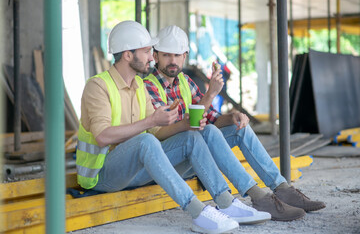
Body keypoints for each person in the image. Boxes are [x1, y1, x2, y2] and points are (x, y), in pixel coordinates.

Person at [76, 20, 274, 234]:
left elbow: (157, 131)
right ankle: (198, 213)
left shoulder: (139, 87)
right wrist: (151, 122)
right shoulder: (98, 86)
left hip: (136, 172)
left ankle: (226, 203)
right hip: (103, 175)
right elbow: (103, 136)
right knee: (145, 141)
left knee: (192, 136)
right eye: (146, 52)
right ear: (127, 54)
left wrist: (178, 123)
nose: (151, 58)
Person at [144, 25, 326, 222]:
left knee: (239, 128)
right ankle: (259, 197)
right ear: (155, 55)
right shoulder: (148, 86)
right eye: (166, 55)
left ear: (185, 56)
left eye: (177, 55)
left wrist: (232, 117)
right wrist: (211, 93)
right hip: (169, 162)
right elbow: (186, 126)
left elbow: (210, 117)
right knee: (208, 132)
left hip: (197, 155)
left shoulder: (185, 82)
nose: (173, 61)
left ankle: (282, 189)